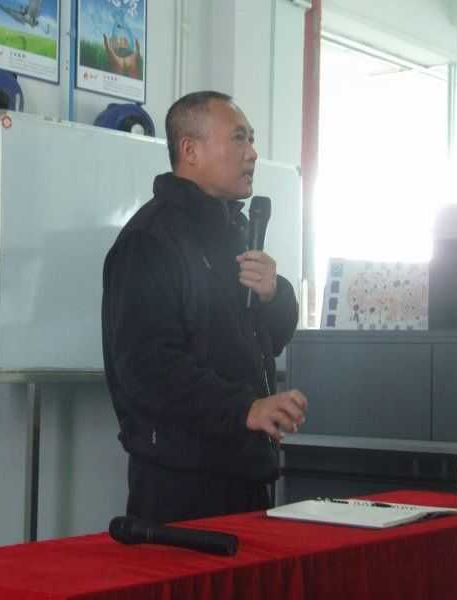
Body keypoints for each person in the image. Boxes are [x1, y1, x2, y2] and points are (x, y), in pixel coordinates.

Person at [101, 91, 308, 524]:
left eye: (252, 139)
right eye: (239, 138)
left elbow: (269, 338)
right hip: (181, 487)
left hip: (245, 471)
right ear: (190, 150)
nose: (253, 153)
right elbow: (148, 368)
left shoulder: (235, 233)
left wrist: (275, 295)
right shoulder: (150, 241)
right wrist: (245, 409)